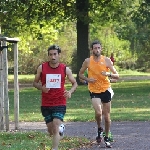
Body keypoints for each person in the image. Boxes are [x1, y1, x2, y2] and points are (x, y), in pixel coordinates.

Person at [33, 44, 78, 150]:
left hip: (60, 102)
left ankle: (54, 148)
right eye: (50, 55)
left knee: (56, 126)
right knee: (51, 130)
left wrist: (70, 91)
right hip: (46, 103)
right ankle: (60, 132)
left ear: (59, 55)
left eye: (55, 54)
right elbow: (35, 83)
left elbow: (75, 83)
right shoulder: (42, 67)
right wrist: (41, 87)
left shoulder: (65, 69)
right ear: (48, 56)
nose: (53, 57)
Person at [79, 40, 119, 148]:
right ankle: (99, 128)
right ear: (91, 50)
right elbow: (80, 74)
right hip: (94, 90)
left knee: (107, 117)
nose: (97, 50)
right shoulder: (87, 61)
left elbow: (117, 75)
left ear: (101, 49)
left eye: (98, 48)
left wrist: (108, 74)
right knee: (98, 112)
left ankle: (106, 136)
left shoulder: (106, 60)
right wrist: (87, 79)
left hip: (106, 89)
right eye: (95, 48)